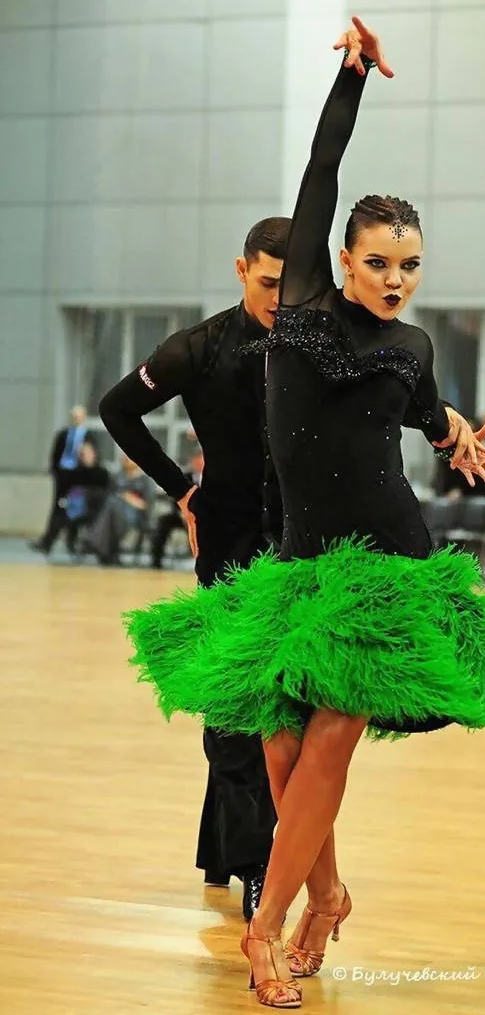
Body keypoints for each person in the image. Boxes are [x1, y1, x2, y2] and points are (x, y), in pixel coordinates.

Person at [124, 18, 485, 1010]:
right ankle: (331, 889)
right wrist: (351, 77)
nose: (395, 280)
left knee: (335, 730)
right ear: (341, 259)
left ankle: (269, 926)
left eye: (411, 265)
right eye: (380, 261)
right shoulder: (300, 308)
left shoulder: (417, 342)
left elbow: (422, 411)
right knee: (279, 740)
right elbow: (321, 163)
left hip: (385, 561)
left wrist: (453, 439)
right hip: (299, 562)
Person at [99, 217, 293, 920]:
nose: (281, 296)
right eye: (269, 282)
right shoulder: (198, 349)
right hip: (231, 538)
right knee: (238, 700)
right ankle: (252, 861)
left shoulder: (316, 341)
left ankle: (228, 846)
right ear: (242, 272)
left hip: (301, 540)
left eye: (293, 283)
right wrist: (182, 487)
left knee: (292, 700)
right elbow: (118, 409)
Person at [30, 405, 96, 554]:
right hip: (63, 475)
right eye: (74, 416)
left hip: (79, 477)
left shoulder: (89, 436)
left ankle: (72, 542)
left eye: (79, 416)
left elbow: (93, 459)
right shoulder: (63, 434)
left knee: (76, 508)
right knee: (58, 507)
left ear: (84, 418)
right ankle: (47, 542)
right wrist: (55, 471)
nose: (76, 419)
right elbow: (55, 454)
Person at [84, 455, 154, 565]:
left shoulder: (145, 480)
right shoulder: (117, 477)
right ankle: (110, 551)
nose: (126, 460)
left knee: (112, 505)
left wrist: (128, 498)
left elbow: (146, 505)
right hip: (115, 513)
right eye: (124, 458)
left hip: (135, 514)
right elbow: (107, 496)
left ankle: (97, 543)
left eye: (129, 458)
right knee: (112, 505)